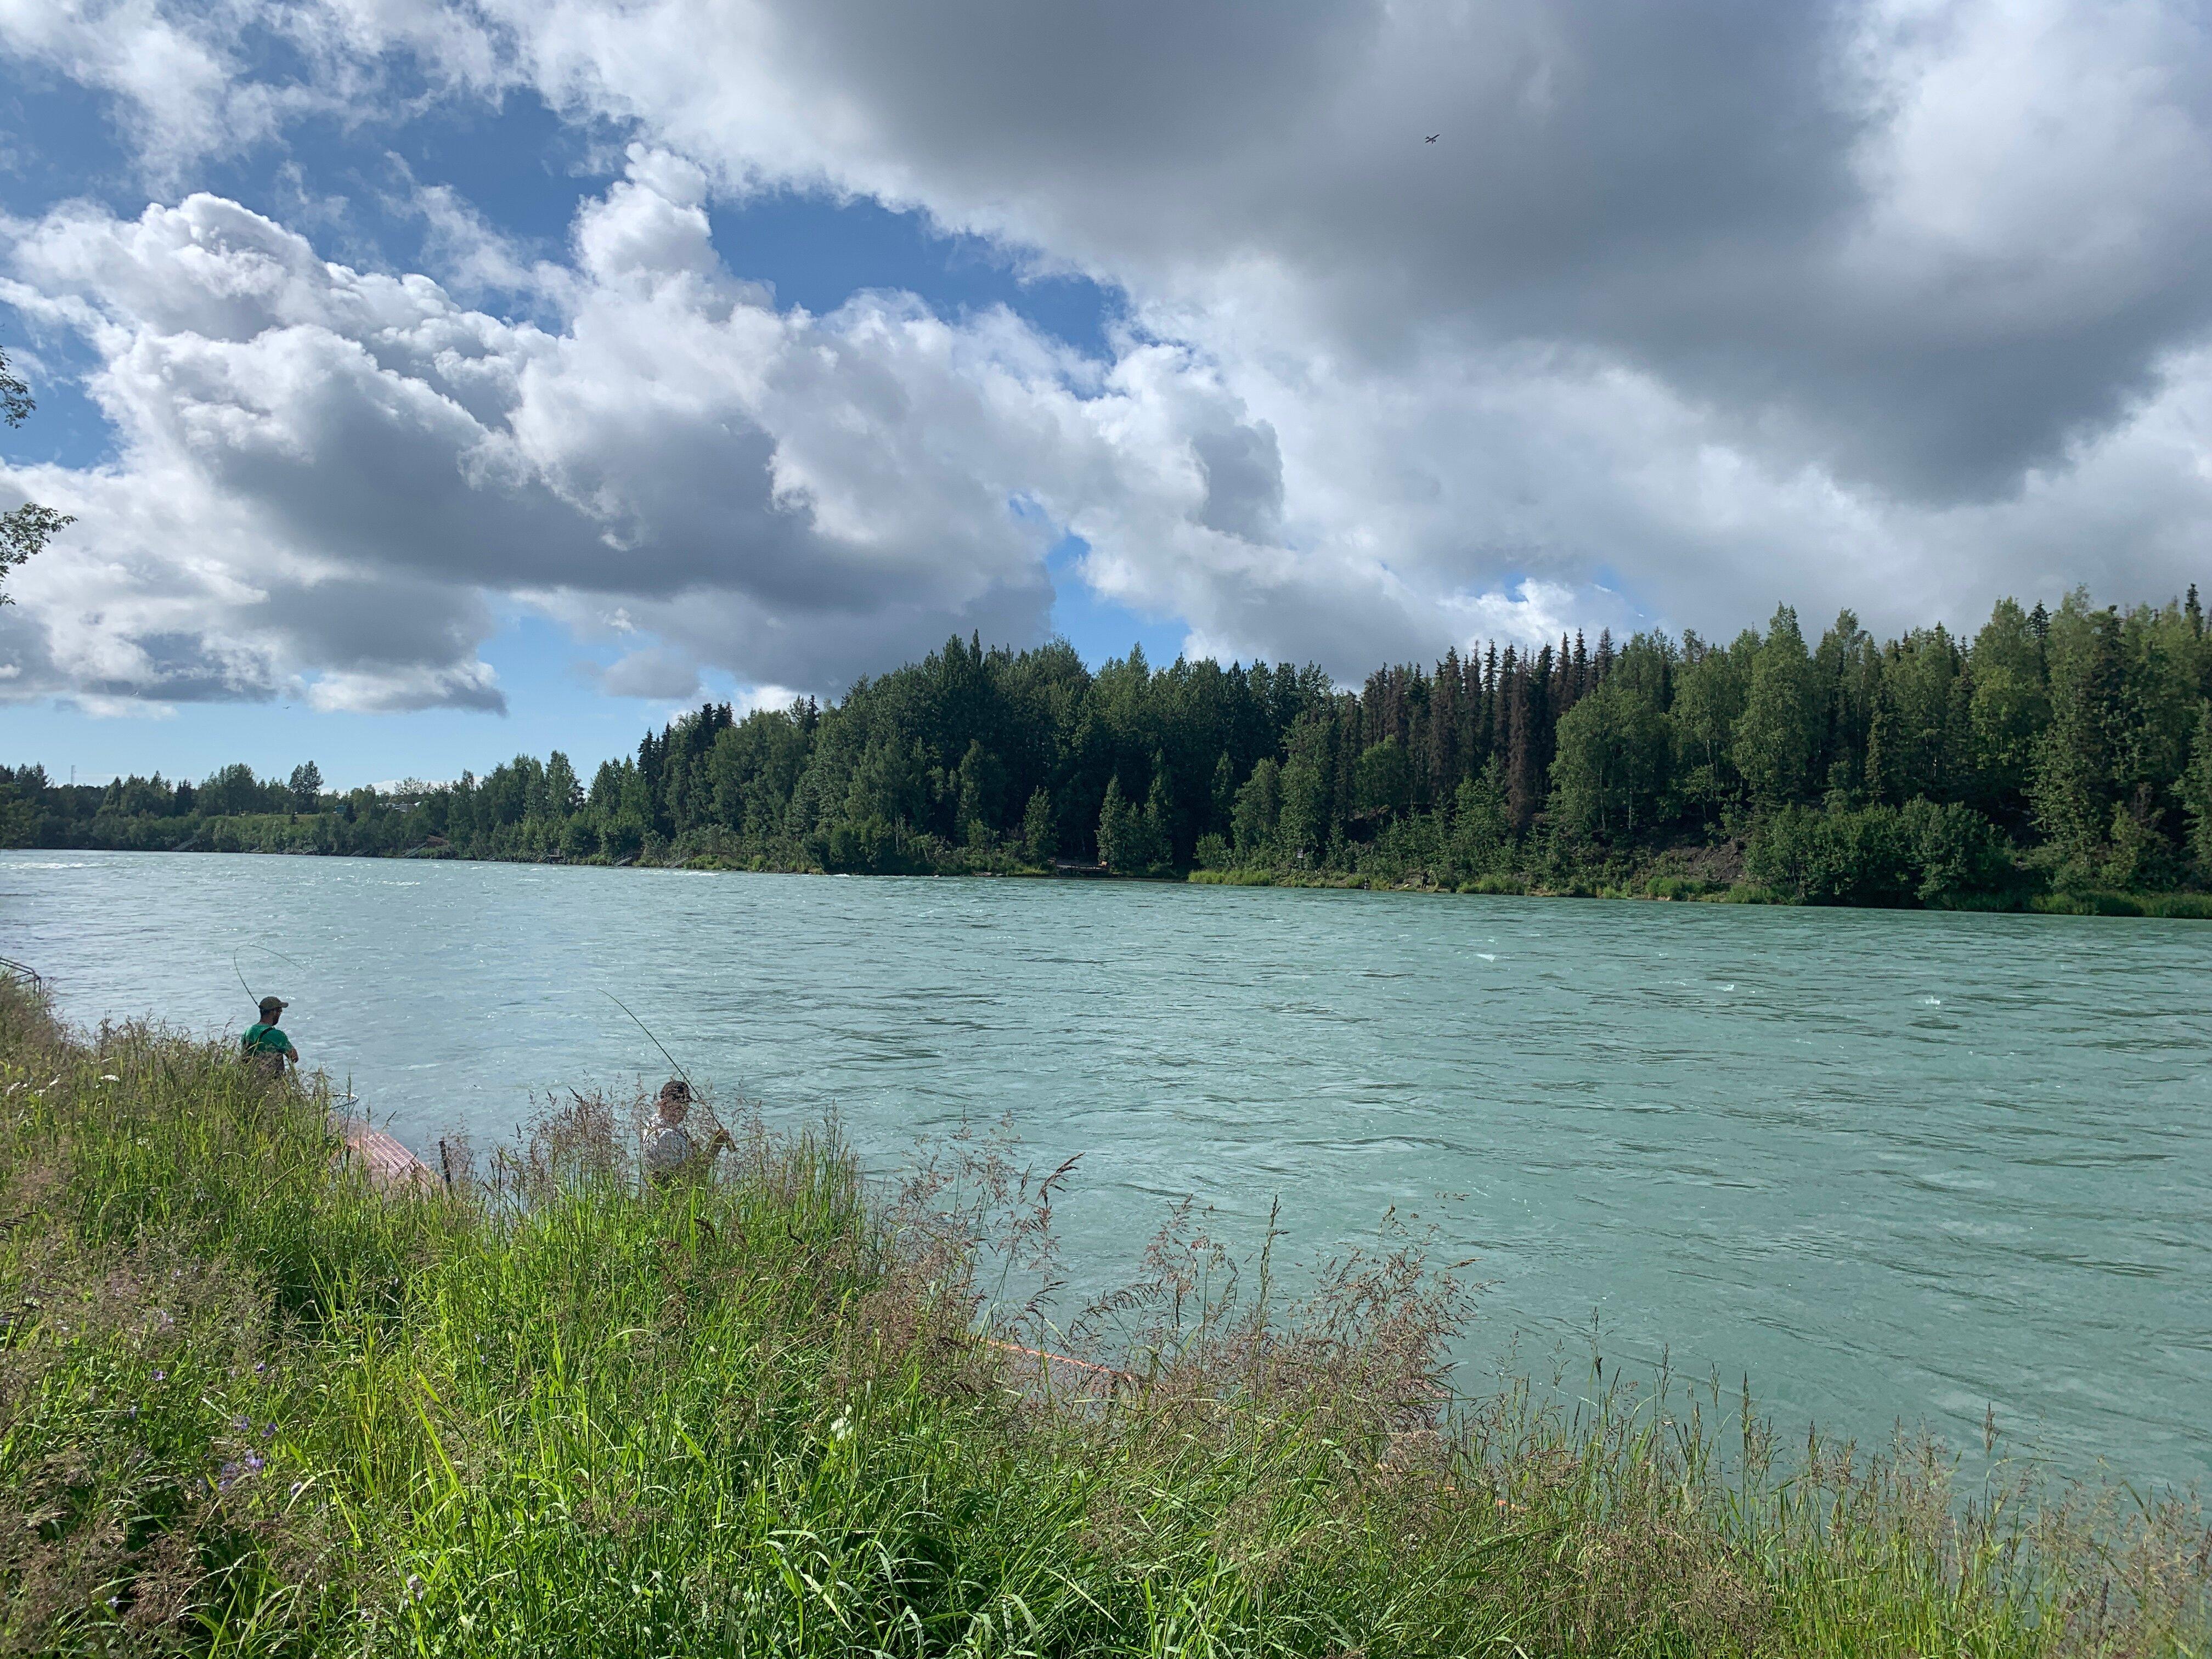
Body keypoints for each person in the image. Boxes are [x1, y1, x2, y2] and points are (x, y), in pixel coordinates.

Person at [643, 1079, 730, 1185]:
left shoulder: (653, 1122)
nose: (684, 1109)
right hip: (676, 1198)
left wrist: (691, 1149)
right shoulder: (665, 1135)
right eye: (680, 1105)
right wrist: (717, 1144)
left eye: (686, 1104)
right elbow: (695, 1175)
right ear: (663, 1103)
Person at [241, 995, 298, 1078]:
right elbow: (294, 1058)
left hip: (250, 1082)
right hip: (273, 1084)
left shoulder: (248, 1031)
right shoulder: (277, 1035)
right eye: (280, 1011)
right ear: (273, 1012)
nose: (280, 1014)